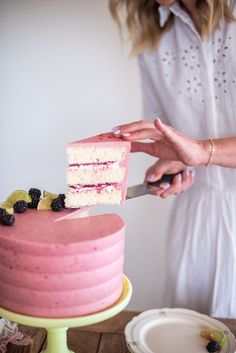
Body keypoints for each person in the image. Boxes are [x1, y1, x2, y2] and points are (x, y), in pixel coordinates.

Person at [109, 0, 236, 318]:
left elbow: (196, 148)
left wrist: (203, 152)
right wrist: (179, 165)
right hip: (195, 224)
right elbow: (176, 142)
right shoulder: (153, 43)